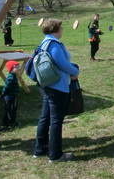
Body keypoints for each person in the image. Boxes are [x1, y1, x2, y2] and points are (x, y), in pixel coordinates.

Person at [33, 19, 80, 163]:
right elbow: (62, 63)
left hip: (48, 84)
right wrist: (75, 71)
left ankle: (40, 149)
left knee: (45, 118)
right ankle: (55, 155)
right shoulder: (54, 44)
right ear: (55, 29)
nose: (62, 30)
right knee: (56, 121)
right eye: (60, 27)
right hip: (56, 86)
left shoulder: (44, 42)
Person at [1, 60, 20, 129]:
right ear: (11, 69)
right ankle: (8, 123)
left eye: (18, 67)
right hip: (10, 97)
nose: (18, 69)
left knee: (12, 109)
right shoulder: (11, 77)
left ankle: (11, 122)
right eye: (17, 67)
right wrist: (3, 94)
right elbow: (6, 87)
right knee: (10, 110)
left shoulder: (13, 75)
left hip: (13, 96)